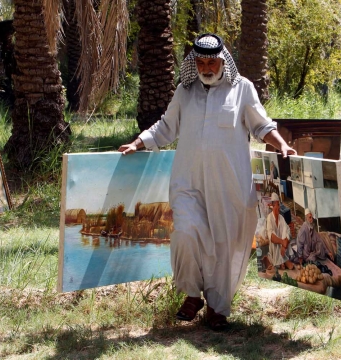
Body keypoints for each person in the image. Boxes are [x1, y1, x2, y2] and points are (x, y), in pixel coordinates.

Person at [118, 33, 296, 330]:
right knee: (185, 233)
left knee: (224, 247)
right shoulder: (185, 92)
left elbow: (262, 125)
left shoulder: (243, 89)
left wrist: (282, 146)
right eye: (200, 61)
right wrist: (138, 143)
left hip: (230, 186)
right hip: (188, 183)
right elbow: (165, 126)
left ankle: (217, 307)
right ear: (193, 63)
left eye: (211, 61)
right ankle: (191, 293)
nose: (206, 67)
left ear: (223, 61)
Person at [264, 192, 294, 271]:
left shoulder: (281, 217)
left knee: (285, 232)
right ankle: (284, 261)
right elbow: (271, 236)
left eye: (279, 205)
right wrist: (282, 242)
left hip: (283, 249)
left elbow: (287, 231)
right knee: (275, 240)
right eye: (277, 205)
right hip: (274, 248)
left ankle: (281, 262)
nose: (279, 207)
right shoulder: (269, 218)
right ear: (273, 206)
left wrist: (284, 245)